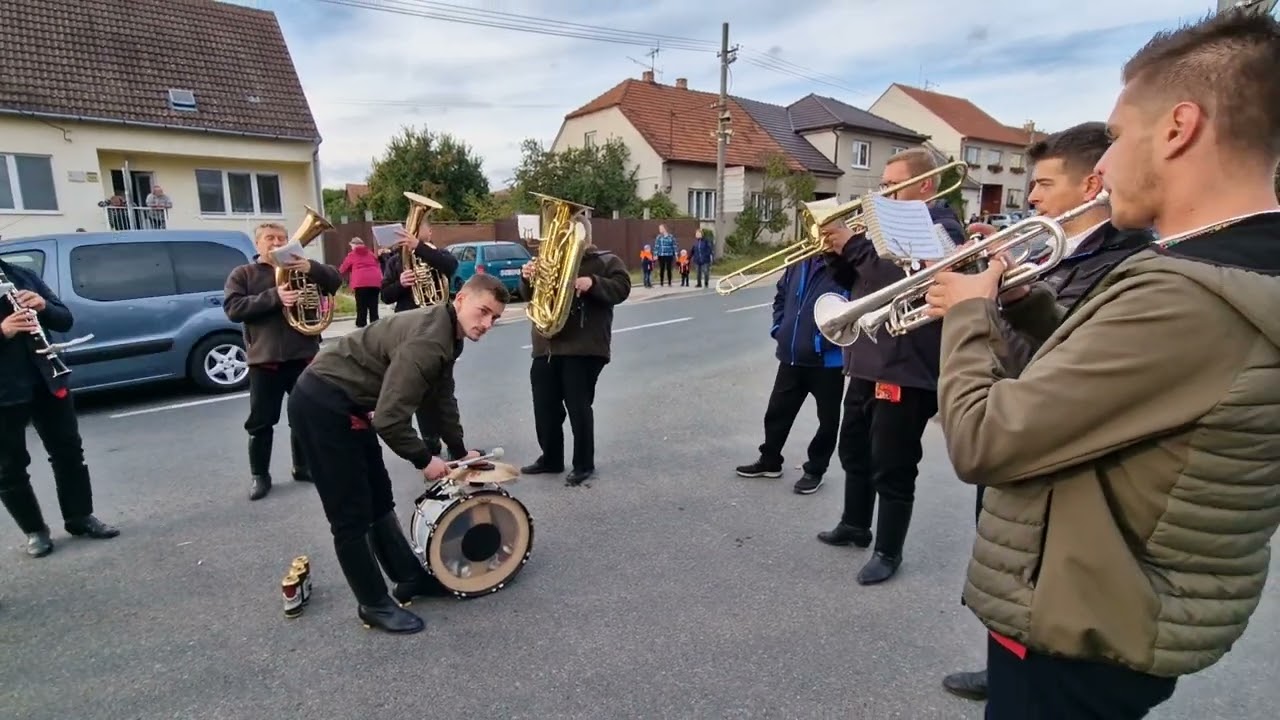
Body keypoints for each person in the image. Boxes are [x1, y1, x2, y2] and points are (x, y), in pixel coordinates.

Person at [923, 10, 1280, 718]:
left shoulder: (1191, 294)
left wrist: (966, 310)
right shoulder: (1215, 270)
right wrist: (1028, 311)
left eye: (1114, 139)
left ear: (1179, 128)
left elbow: (982, 439)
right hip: (1102, 601)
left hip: (1082, 623)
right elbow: (1123, 398)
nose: (1104, 168)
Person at [940, 121, 1155, 703]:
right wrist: (1006, 290)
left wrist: (975, 314)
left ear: (1091, 186)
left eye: (1042, 185)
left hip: (1036, 437)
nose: (1030, 198)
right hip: (1018, 425)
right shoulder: (1056, 251)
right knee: (1004, 558)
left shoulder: (1128, 265)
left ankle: (1016, 674)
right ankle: (1001, 664)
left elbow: (1051, 362)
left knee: (1029, 572)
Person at [287, 273, 508, 634]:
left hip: (350, 406)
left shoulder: (448, 335)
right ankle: (373, 604)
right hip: (322, 405)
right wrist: (425, 459)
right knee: (350, 515)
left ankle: (409, 579)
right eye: (483, 312)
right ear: (460, 300)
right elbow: (390, 419)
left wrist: (458, 450)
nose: (486, 324)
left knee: (379, 498)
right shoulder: (428, 340)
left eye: (495, 318)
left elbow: (441, 399)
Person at [814, 148, 964, 585]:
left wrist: (855, 245)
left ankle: (888, 550)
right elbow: (861, 284)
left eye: (893, 185)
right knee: (854, 449)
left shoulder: (941, 228)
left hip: (906, 367)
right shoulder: (886, 232)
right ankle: (855, 524)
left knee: (892, 463)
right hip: (866, 358)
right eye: (883, 184)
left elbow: (896, 282)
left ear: (925, 185)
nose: (884, 193)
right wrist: (835, 254)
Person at [0, 258, 119, 557]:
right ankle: (35, 531)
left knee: (68, 451)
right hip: (4, 391)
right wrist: (3, 330)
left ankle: (79, 517)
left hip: (47, 378)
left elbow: (64, 319)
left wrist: (43, 307)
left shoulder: (22, 275)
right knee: (9, 466)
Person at [224, 222, 343, 501]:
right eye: (270, 238)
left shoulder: (300, 266)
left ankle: (302, 467)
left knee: (303, 415)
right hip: (266, 360)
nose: (276, 243)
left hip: (302, 354)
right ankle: (260, 476)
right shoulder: (244, 274)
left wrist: (311, 269)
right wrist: (275, 297)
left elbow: (335, 282)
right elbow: (233, 308)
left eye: (282, 238)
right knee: (261, 421)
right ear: (258, 245)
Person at [517, 240, 632, 486]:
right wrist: (527, 278)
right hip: (546, 345)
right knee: (544, 407)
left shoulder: (605, 260)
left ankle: (583, 464)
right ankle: (551, 458)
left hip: (584, 347)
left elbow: (622, 288)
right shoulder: (547, 261)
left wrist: (593, 282)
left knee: (578, 407)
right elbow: (530, 297)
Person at [734, 250, 847, 495]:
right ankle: (770, 460)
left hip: (828, 360)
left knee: (827, 422)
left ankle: (815, 469)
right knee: (776, 412)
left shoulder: (846, 265)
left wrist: (827, 341)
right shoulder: (800, 261)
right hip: (792, 355)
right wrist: (779, 328)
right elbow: (782, 295)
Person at [379, 224, 461, 458]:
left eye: (420, 228)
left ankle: (455, 444)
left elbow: (451, 267)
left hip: (441, 331)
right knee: (420, 393)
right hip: (411, 333)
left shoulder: (438, 254)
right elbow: (385, 295)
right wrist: (400, 284)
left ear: (428, 234)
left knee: (444, 393)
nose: (413, 232)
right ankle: (429, 440)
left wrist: (420, 247)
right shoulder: (397, 261)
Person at [338, 237, 384, 328]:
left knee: (361, 304)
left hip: (361, 283)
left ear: (354, 245)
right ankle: (375, 323)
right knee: (373, 304)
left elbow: (343, 269)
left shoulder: (352, 255)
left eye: (351, 245)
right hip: (375, 281)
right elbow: (377, 263)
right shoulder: (370, 253)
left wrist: (335, 276)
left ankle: (361, 323)